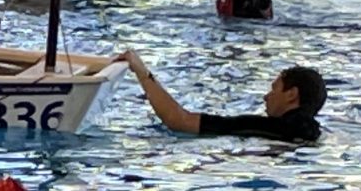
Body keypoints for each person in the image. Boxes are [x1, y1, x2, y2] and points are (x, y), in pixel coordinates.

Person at [127, 54, 324, 144]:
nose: (266, 96)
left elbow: (178, 121)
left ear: (291, 94)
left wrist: (142, 71)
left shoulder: (268, 127)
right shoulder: (314, 132)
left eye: (274, 90)